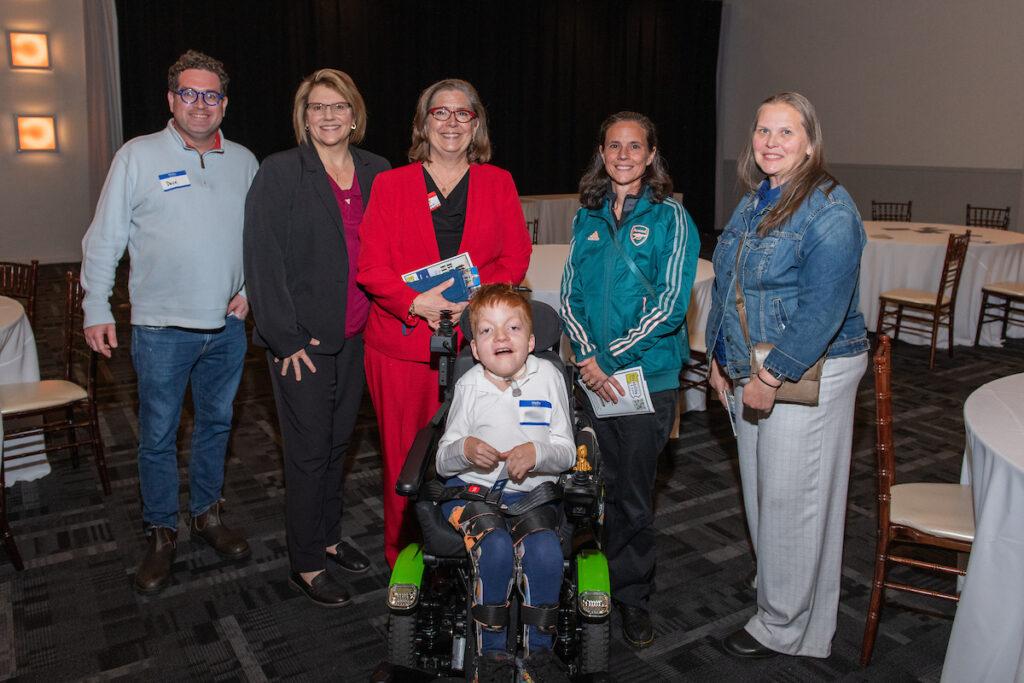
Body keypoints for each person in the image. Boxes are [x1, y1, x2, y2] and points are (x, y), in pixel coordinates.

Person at [80, 50, 258, 594]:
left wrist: (249, 290)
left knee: (216, 427)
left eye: (210, 95)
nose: (199, 104)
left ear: (223, 104)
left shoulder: (246, 161)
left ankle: (206, 514)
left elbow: (260, 242)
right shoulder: (137, 156)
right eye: (189, 93)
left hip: (227, 329)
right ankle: (161, 531)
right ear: (171, 100)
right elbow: (104, 239)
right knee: (156, 436)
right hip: (160, 330)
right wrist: (96, 306)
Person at [705, 92, 868, 659]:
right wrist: (718, 356)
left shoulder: (829, 208)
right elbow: (731, 286)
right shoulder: (759, 199)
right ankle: (787, 596)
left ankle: (782, 624)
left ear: (810, 142)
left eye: (785, 132)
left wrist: (770, 376)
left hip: (806, 369)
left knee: (793, 501)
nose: (771, 142)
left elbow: (823, 310)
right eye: (763, 131)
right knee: (765, 493)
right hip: (751, 365)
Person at [357, 78, 532, 568]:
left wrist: (471, 297)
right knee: (406, 458)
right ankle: (405, 559)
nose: (451, 122)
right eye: (440, 112)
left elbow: (515, 255)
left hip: (476, 345)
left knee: (478, 449)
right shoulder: (390, 185)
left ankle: (476, 553)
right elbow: (370, 268)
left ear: (476, 124)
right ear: (423, 121)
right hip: (401, 346)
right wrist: (416, 302)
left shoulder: (498, 182)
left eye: (463, 113)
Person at [243, 69, 390, 607]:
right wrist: (285, 338)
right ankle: (304, 563)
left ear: (355, 115)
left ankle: (327, 537)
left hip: (359, 335)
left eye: (339, 107)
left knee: (337, 446)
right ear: (304, 117)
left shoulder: (379, 171)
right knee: (306, 453)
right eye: (317, 107)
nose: (328, 116)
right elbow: (263, 260)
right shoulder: (281, 171)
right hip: (302, 343)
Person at [560, 112, 699, 648]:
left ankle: (632, 595)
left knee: (635, 497)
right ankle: (593, 582)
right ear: (601, 152)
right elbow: (570, 294)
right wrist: (589, 359)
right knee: (593, 487)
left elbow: (670, 306)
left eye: (634, 146)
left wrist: (607, 359)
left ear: (650, 154)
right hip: (595, 380)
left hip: (646, 379)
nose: (623, 154)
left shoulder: (671, 219)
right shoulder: (587, 216)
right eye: (614, 145)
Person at [436, 284, 574, 683]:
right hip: (473, 494)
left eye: (512, 328)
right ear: (475, 350)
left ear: (530, 341)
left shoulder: (548, 377)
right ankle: (492, 656)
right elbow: (444, 459)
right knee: (494, 547)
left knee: (546, 553)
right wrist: (466, 447)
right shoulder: (469, 386)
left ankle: (539, 654)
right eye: (487, 331)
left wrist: (537, 452)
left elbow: (565, 450)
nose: (500, 337)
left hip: (533, 495)